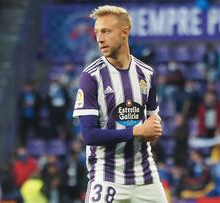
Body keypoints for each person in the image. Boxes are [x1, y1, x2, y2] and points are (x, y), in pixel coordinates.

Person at [72, 5, 168, 203]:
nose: (99, 38)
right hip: (107, 178)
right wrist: (136, 131)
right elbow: (89, 135)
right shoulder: (91, 76)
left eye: (106, 31)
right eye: (97, 32)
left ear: (125, 32)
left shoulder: (146, 74)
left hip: (145, 177)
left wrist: (154, 130)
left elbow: (152, 124)